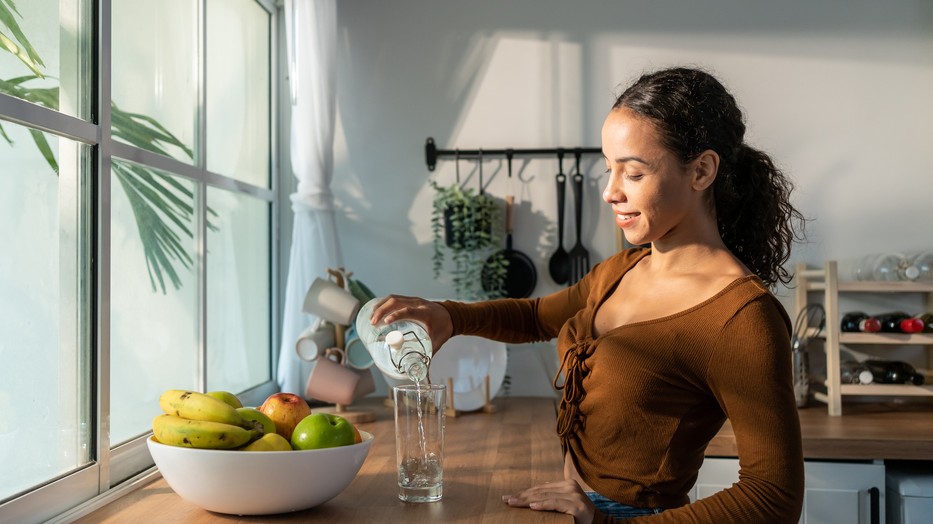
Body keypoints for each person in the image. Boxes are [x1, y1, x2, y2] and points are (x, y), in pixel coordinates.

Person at [369, 66, 807, 523]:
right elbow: (539, 316)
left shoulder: (742, 318)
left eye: (633, 173)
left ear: (701, 170)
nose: (610, 192)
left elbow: (772, 497)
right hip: (572, 505)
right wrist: (449, 317)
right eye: (609, 168)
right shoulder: (625, 268)